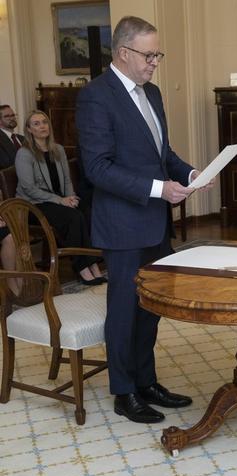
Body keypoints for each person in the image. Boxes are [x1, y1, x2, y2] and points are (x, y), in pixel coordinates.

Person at [76, 16, 212, 424]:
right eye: (149, 54)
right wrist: (159, 189)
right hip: (122, 225)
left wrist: (189, 173)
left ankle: (146, 380)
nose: (155, 62)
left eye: (158, 54)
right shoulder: (96, 97)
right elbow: (97, 168)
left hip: (154, 222)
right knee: (124, 309)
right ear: (123, 53)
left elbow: (162, 154)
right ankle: (124, 391)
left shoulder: (151, 92)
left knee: (150, 307)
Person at [15, 110, 105, 286]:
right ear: (29, 130)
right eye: (36, 124)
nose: (42, 126)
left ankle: (92, 263)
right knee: (73, 217)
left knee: (85, 211)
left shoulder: (58, 150)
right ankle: (82, 267)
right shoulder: (24, 154)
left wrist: (70, 197)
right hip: (33, 205)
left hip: (58, 200)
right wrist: (60, 201)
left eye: (44, 122)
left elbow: (66, 179)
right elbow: (29, 188)